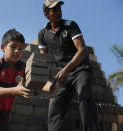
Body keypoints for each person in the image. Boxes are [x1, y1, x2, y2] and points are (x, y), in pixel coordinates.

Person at [38, 0, 99, 131]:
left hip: (81, 70)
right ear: (46, 14)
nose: (59, 11)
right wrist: (48, 82)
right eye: (54, 9)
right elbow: (44, 59)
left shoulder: (70, 25)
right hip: (63, 76)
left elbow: (82, 50)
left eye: (59, 8)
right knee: (54, 104)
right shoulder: (43, 34)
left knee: (84, 98)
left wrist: (66, 69)